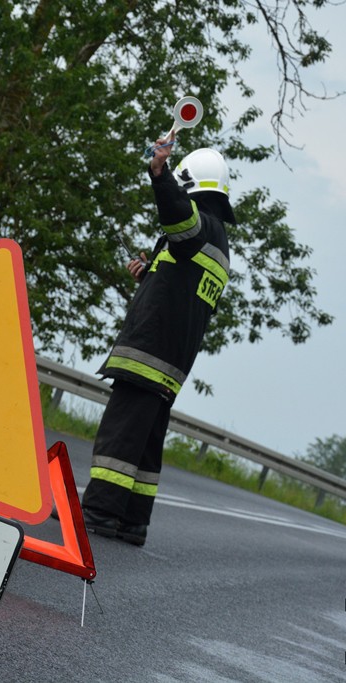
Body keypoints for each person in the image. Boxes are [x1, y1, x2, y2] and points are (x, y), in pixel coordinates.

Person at [80, 133, 235, 546]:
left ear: (192, 188)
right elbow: (181, 290)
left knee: (121, 433)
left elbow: (178, 218)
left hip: (147, 355)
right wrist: (150, 273)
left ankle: (97, 512)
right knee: (146, 442)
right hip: (172, 362)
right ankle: (133, 520)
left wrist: (159, 171)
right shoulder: (218, 242)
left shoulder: (197, 227)